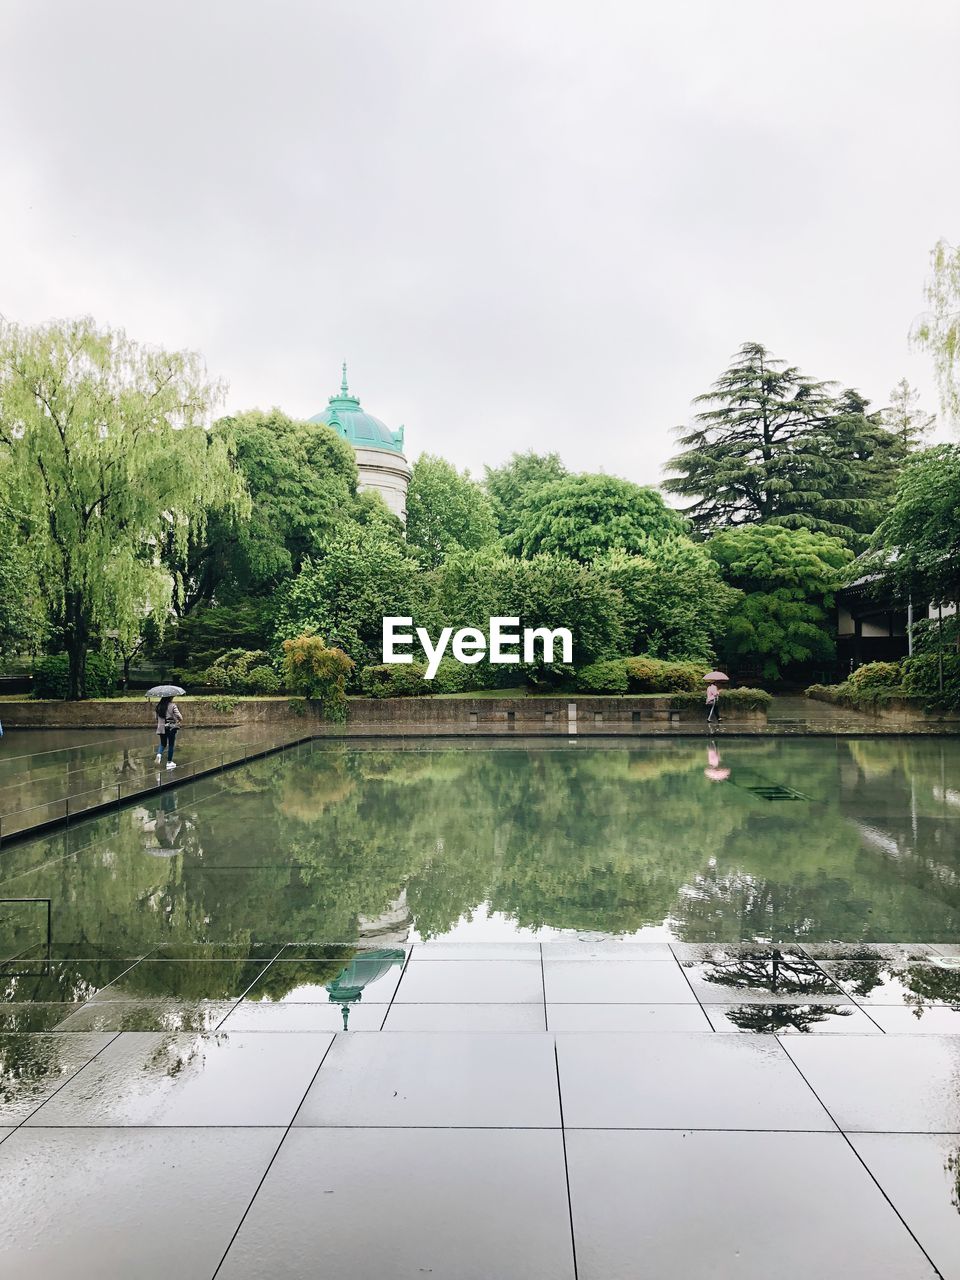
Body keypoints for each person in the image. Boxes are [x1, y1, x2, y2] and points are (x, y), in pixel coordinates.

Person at [154, 695, 183, 770]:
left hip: (161, 727)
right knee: (171, 744)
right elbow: (180, 717)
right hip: (171, 728)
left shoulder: (158, 706)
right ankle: (169, 762)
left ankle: (159, 755)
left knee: (163, 744)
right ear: (169, 697)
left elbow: (156, 718)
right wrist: (177, 720)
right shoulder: (172, 705)